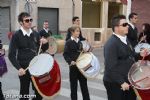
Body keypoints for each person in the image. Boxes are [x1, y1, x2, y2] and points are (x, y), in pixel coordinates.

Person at [103, 15, 145, 100]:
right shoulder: (111, 44)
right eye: (124, 24)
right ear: (116, 28)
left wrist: (140, 54)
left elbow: (131, 54)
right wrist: (121, 82)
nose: (127, 26)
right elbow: (110, 67)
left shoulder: (125, 39)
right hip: (115, 83)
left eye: (127, 24)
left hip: (128, 79)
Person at [8, 12, 49, 100]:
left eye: (31, 20)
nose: (30, 22)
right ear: (21, 23)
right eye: (27, 20)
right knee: (24, 94)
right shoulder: (16, 35)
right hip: (24, 69)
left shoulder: (35, 34)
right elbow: (11, 55)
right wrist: (19, 68)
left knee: (39, 93)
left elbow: (43, 49)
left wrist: (45, 43)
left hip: (37, 68)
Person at [63, 25, 90, 100]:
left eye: (79, 31)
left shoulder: (80, 42)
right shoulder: (68, 42)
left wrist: (86, 51)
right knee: (74, 88)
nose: (79, 33)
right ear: (72, 32)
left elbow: (82, 54)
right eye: (77, 31)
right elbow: (65, 54)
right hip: (73, 68)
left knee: (84, 87)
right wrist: (70, 61)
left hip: (81, 68)